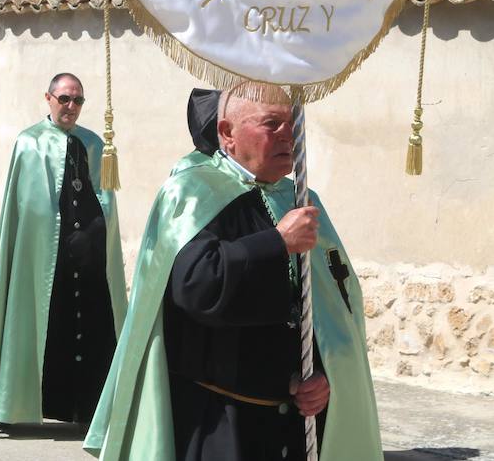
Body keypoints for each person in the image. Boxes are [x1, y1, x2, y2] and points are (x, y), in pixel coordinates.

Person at [84, 81, 382, 460]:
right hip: (221, 420)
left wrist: (325, 375)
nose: (287, 135)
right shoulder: (192, 192)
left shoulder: (300, 198)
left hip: (295, 421)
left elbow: (330, 305)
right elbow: (196, 287)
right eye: (271, 124)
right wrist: (276, 243)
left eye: (293, 124)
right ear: (227, 133)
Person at [0, 72, 127, 430]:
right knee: (45, 327)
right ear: (49, 98)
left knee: (95, 330)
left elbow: (106, 202)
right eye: (65, 99)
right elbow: (24, 210)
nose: (71, 107)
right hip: (43, 262)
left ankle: (89, 411)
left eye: (78, 100)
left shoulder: (95, 143)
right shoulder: (29, 143)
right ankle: (21, 406)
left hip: (88, 263)